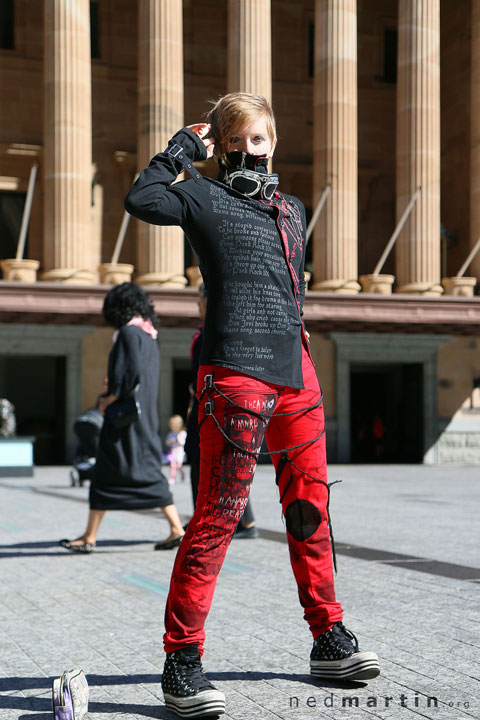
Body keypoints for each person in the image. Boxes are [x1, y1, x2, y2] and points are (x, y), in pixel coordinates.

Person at [125, 92, 380, 718]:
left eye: (257, 140)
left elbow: (292, 290)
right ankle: (182, 662)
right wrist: (183, 149)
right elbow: (141, 198)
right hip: (232, 377)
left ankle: (328, 638)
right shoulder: (199, 196)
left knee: (308, 512)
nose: (247, 150)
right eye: (233, 140)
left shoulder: (291, 209)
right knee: (216, 518)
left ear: (273, 143)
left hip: (296, 377)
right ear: (219, 144)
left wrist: (306, 359)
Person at [59, 283, 185, 554]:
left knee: (105, 472)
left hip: (122, 422)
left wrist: (109, 398)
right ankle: (175, 528)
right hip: (143, 421)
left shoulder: (128, 333)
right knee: (149, 472)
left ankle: (90, 537)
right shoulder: (149, 336)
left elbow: (127, 375)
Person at [185, 282, 259, 539]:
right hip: (203, 407)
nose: (197, 305)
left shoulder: (218, 332)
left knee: (219, 466)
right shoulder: (204, 332)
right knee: (204, 463)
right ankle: (205, 517)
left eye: (200, 300)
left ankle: (243, 523)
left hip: (217, 411)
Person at [166, 414, 187, 484]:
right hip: (173, 451)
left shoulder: (182, 433)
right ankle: (172, 478)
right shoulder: (171, 434)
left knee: (178, 466)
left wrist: (177, 440)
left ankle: (182, 473)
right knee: (172, 465)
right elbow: (167, 443)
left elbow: (183, 443)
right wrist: (170, 441)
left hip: (180, 452)